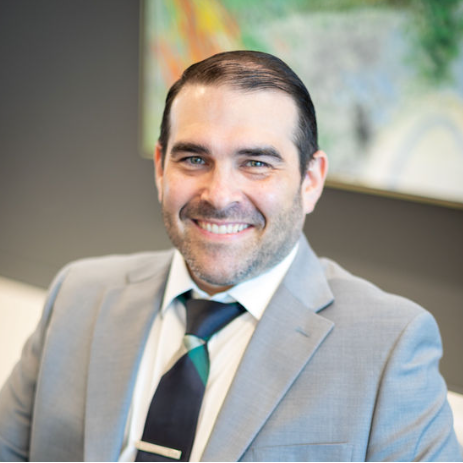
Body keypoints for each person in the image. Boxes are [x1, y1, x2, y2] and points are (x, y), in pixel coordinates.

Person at [0, 50, 461, 462]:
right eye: (194, 159)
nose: (219, 195)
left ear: (311, 179)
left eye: (256, 163)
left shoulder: (390, 346)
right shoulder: (78, 295)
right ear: (161, 168)